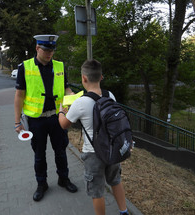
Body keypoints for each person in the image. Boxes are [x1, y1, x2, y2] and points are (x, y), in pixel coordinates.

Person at [58, 59, 129, 215]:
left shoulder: (80, 103)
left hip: (93, 153)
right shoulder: (110, 95)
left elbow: (64, 124)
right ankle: (124, 211)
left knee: (96, 190)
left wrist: (61, 111)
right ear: (101, 77)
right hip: (113, 149)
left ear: (84, 78)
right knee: (115, 181)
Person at [14, 34, 78, 202]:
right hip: (37, 120)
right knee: (39, 154)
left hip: (57, 117)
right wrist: (16, 122)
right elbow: (19, 95)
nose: (49, 53)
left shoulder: (59, 66)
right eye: (46, 50)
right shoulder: (25, 67)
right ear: (37, 48)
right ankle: (41, 184)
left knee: (61, 151)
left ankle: (63, 179)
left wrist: (72, 96)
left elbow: (66, 88)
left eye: (52, 50)